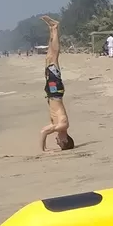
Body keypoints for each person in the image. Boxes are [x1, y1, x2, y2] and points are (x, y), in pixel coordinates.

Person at [39, 16, 75, 151]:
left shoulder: (60, 126)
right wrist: (44, 150)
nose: (57, 141)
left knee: (49, 58)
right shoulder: (62, 125)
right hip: (55, 92)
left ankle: (51, 30)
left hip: (53, 93)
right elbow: (43, 131)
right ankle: (55, 28)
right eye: (60, 143)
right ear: (65, 139)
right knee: (54, 57)